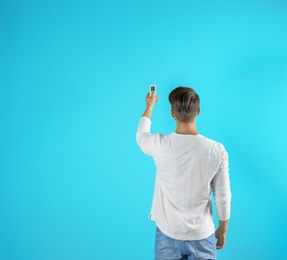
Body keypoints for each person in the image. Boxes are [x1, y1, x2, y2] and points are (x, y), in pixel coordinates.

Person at [136, 87, 231, 260]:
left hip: (168, 234)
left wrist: (149, 106)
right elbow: (222, 195)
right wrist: (223, 229)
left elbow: (141, 136)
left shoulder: (160, 145)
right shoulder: (216, 150)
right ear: (198, 112)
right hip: (202, 234)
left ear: (172, 113)